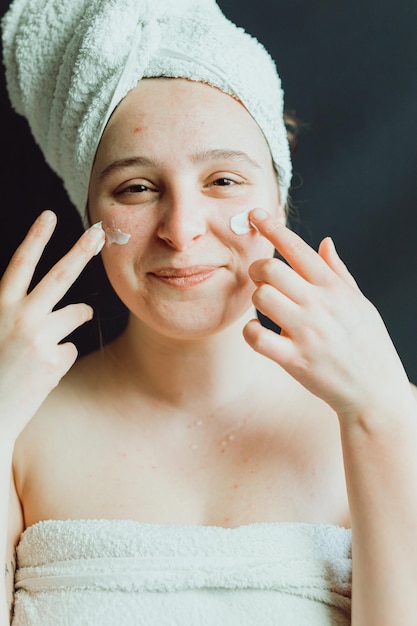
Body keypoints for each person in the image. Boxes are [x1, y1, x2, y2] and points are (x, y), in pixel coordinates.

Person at [1, 0, 417, 624]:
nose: (182, 230)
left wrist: (382, 418)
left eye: (223, 180)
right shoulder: (19, 431)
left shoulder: (387, 417)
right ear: (89, 210)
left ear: (279, 190)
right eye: (136, 188)